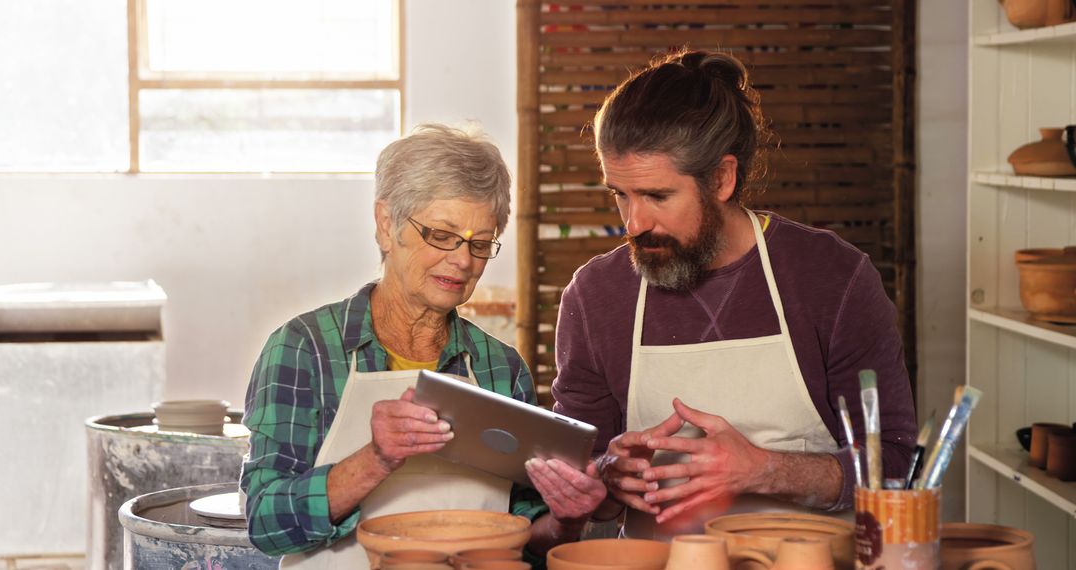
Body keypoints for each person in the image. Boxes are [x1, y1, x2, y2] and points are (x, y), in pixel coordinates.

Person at [551, 50, 917, 540]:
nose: (634, 223)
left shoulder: (832, 278)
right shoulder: (596, 295)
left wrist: (766, 469)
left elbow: (896, 463)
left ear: (722, 178)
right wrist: (606, 477)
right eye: (620, 194)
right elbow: (576, 472)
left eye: (658, 196)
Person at [240, 124, 605, 568]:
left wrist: (566, 521)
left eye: (480, 242)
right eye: (442, 235)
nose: (464, 260)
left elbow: (525, 536)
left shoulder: (499, 367)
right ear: (385, 225)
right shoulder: (305, 349)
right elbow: (265, 522)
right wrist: (375, 459)